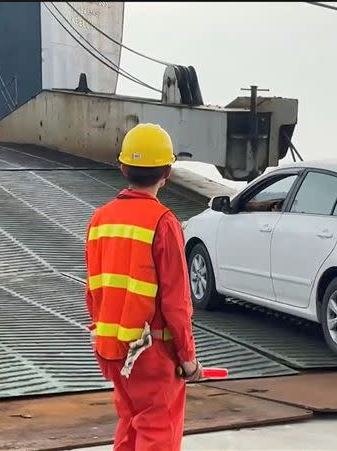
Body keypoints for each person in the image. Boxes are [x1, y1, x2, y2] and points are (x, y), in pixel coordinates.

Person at [85, 123, 202, 451]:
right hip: (154, 353)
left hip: (115, 351)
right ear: (167, 172)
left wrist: (106, 341)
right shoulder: (163, 222)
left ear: (123, 168)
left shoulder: (100, 219)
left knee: (129, 426)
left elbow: (94, 291)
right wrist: (188, 359)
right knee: (157, 432)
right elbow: (176, 302)